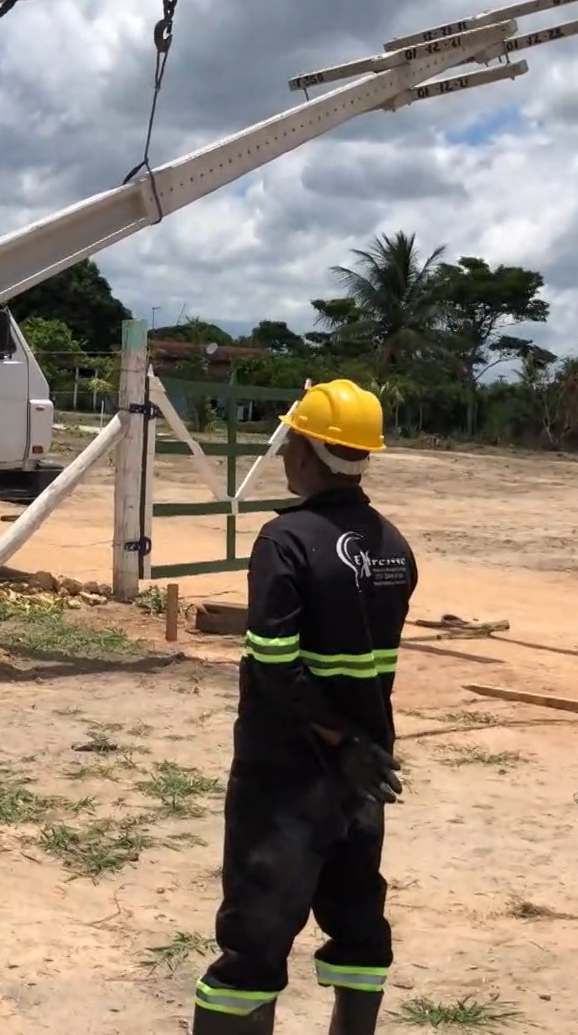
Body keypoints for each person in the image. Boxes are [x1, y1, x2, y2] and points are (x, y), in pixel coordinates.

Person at [191, 379, 416, 1035]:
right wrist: (357, 746)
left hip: (286, 772)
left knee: (254, 937)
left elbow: (273, 666)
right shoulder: (394, 547)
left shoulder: (285, 541)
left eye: (291, 441)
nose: (285, 453)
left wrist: (334, 739)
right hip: (363, 775)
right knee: (357, 921)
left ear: (309, 452)